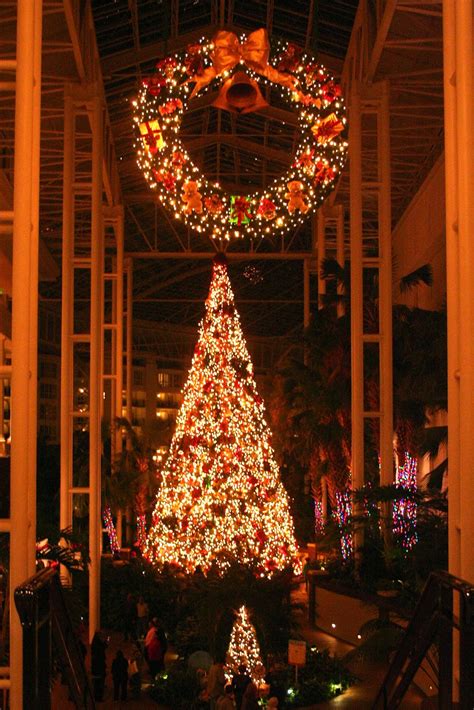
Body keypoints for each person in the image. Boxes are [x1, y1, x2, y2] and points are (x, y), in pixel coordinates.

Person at [90, 631, 107, 702]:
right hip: (99, 668)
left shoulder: (95, 645)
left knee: (97, 683)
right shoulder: (98, 647)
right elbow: (103, 648)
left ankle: (97, 696)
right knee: (99, 683)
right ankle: (98, 697)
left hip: (96, 668)